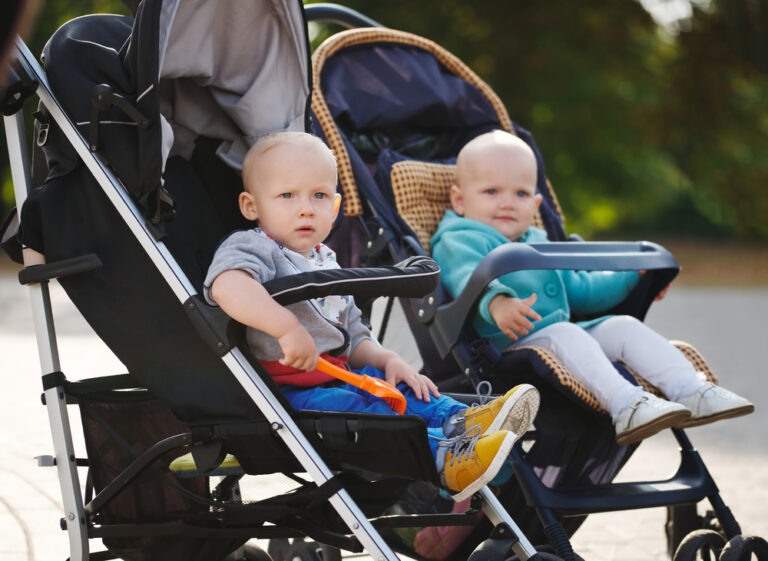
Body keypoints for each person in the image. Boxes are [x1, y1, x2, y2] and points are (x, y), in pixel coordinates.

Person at [204, 131, 541, 500]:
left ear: (334, 208)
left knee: (396, 385)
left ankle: (460, 420)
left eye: (318, 196)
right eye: (287, 195)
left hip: (337, 374)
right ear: (252, 206)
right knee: (362, 411)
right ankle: (446, 460)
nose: (305, 208)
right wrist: (285, 327)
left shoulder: (325, 260)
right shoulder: (252, 247)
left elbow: (352, 334)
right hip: (287, 393)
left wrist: (386, 357)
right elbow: (227, 286)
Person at [431, 130, 754, 445]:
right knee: (566, 334)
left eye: (521, 194)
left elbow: (584, 290)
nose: (507, 204)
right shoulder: (460, 237)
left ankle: (691, 390)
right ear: (459, 200)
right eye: (491, 192)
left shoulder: (539, 241)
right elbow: (465, 274)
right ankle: (627, 405)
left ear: (536, 202)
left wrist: (633, 278)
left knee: (622, 326)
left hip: (560, 337)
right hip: (503, 350)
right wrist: (497, 301)